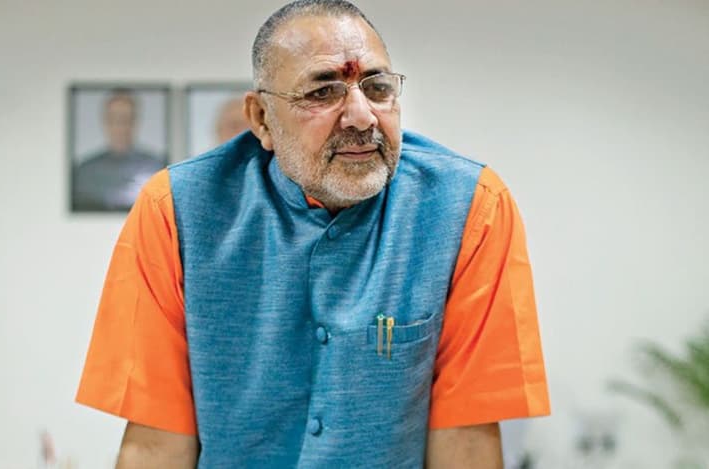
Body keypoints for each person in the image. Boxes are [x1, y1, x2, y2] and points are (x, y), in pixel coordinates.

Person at [76, 1, 550, 467]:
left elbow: (466, 442)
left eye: (378, 88)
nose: (363, 117)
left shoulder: (469, 208)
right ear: (262, 119)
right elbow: (156, 445)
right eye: (323, 92)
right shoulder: (174, 211)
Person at [72, 89, 166, 211]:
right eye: (114, 118)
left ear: (135, 121)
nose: (120, 126)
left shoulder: (156, 168)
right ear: (105, 121)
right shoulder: (84, 172)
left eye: (126, 118)